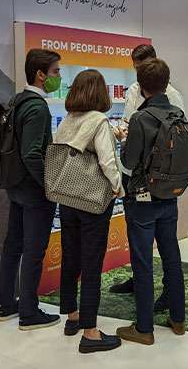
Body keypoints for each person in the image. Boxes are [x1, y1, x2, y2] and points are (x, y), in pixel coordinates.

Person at [116, 58, 186, 345]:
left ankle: (144, 328)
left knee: (143, 261)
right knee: (172, 256)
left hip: (143, 200)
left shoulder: (140, 119)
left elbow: (129, 162)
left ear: (141, 86)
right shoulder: (178, 115)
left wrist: (123, 142)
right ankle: (178, 319)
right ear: (166, 83)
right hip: (170, 196)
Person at [54, 69, 125, 353]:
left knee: (70, 256)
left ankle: (72, 316)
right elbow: (107, 161)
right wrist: (118, 186)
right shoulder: (99, 121)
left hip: (67, 196)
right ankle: (91, 333)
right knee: (92, 263)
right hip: (92, 200)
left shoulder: (67, 120)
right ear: (99, 92)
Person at [0, 49, 63, 330]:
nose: (59, 77)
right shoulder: (37, 108)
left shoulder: (17, 101)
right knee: (34, 252)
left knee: (13, 246)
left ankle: (7, 304)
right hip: (35, 192)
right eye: (56, 71)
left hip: (15, 187)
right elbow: (32, 153)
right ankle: (29, 313)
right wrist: (49, 184)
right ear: (40, 74)